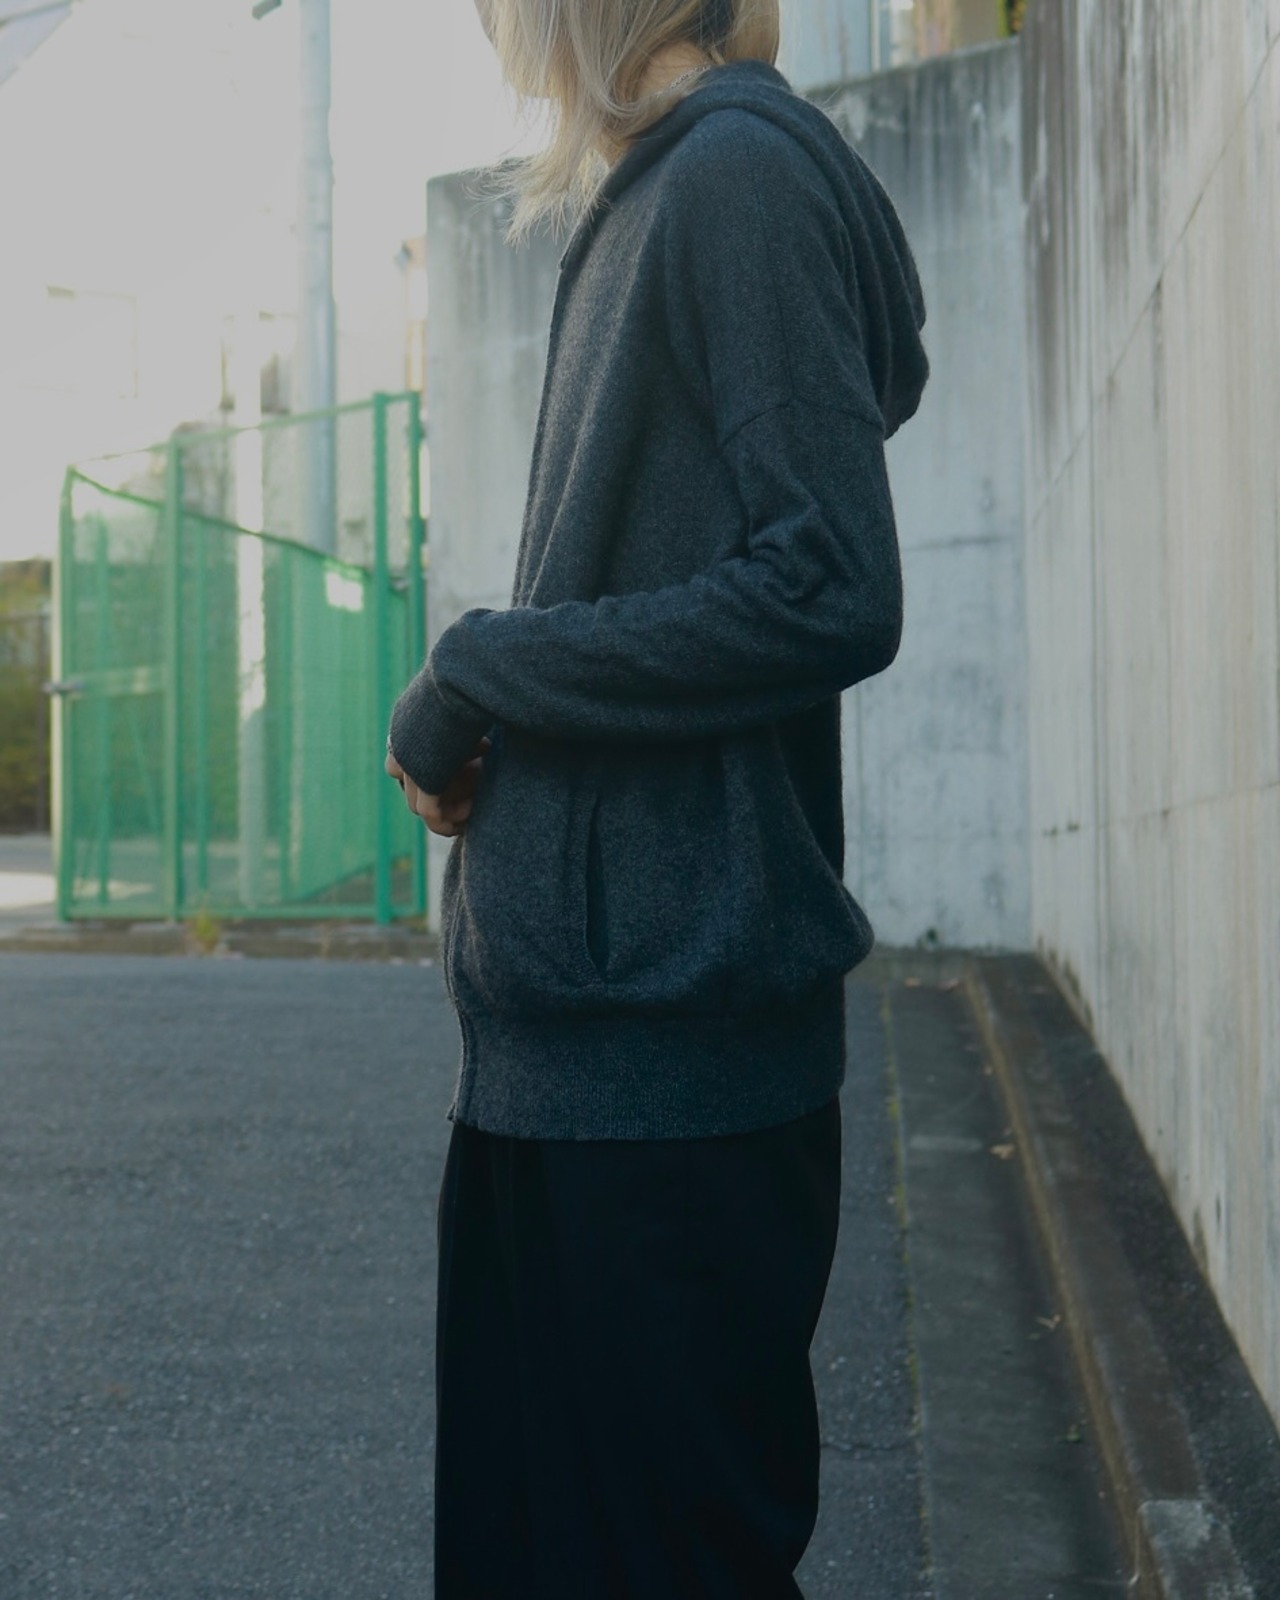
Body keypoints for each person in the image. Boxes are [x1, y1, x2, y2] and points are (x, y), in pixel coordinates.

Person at [383, 0, 928, 1592]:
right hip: (579, 1045)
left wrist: (482, 667)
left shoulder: (734, 181)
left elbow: (831, 583)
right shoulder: (662, 188)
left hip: (665, 1066)